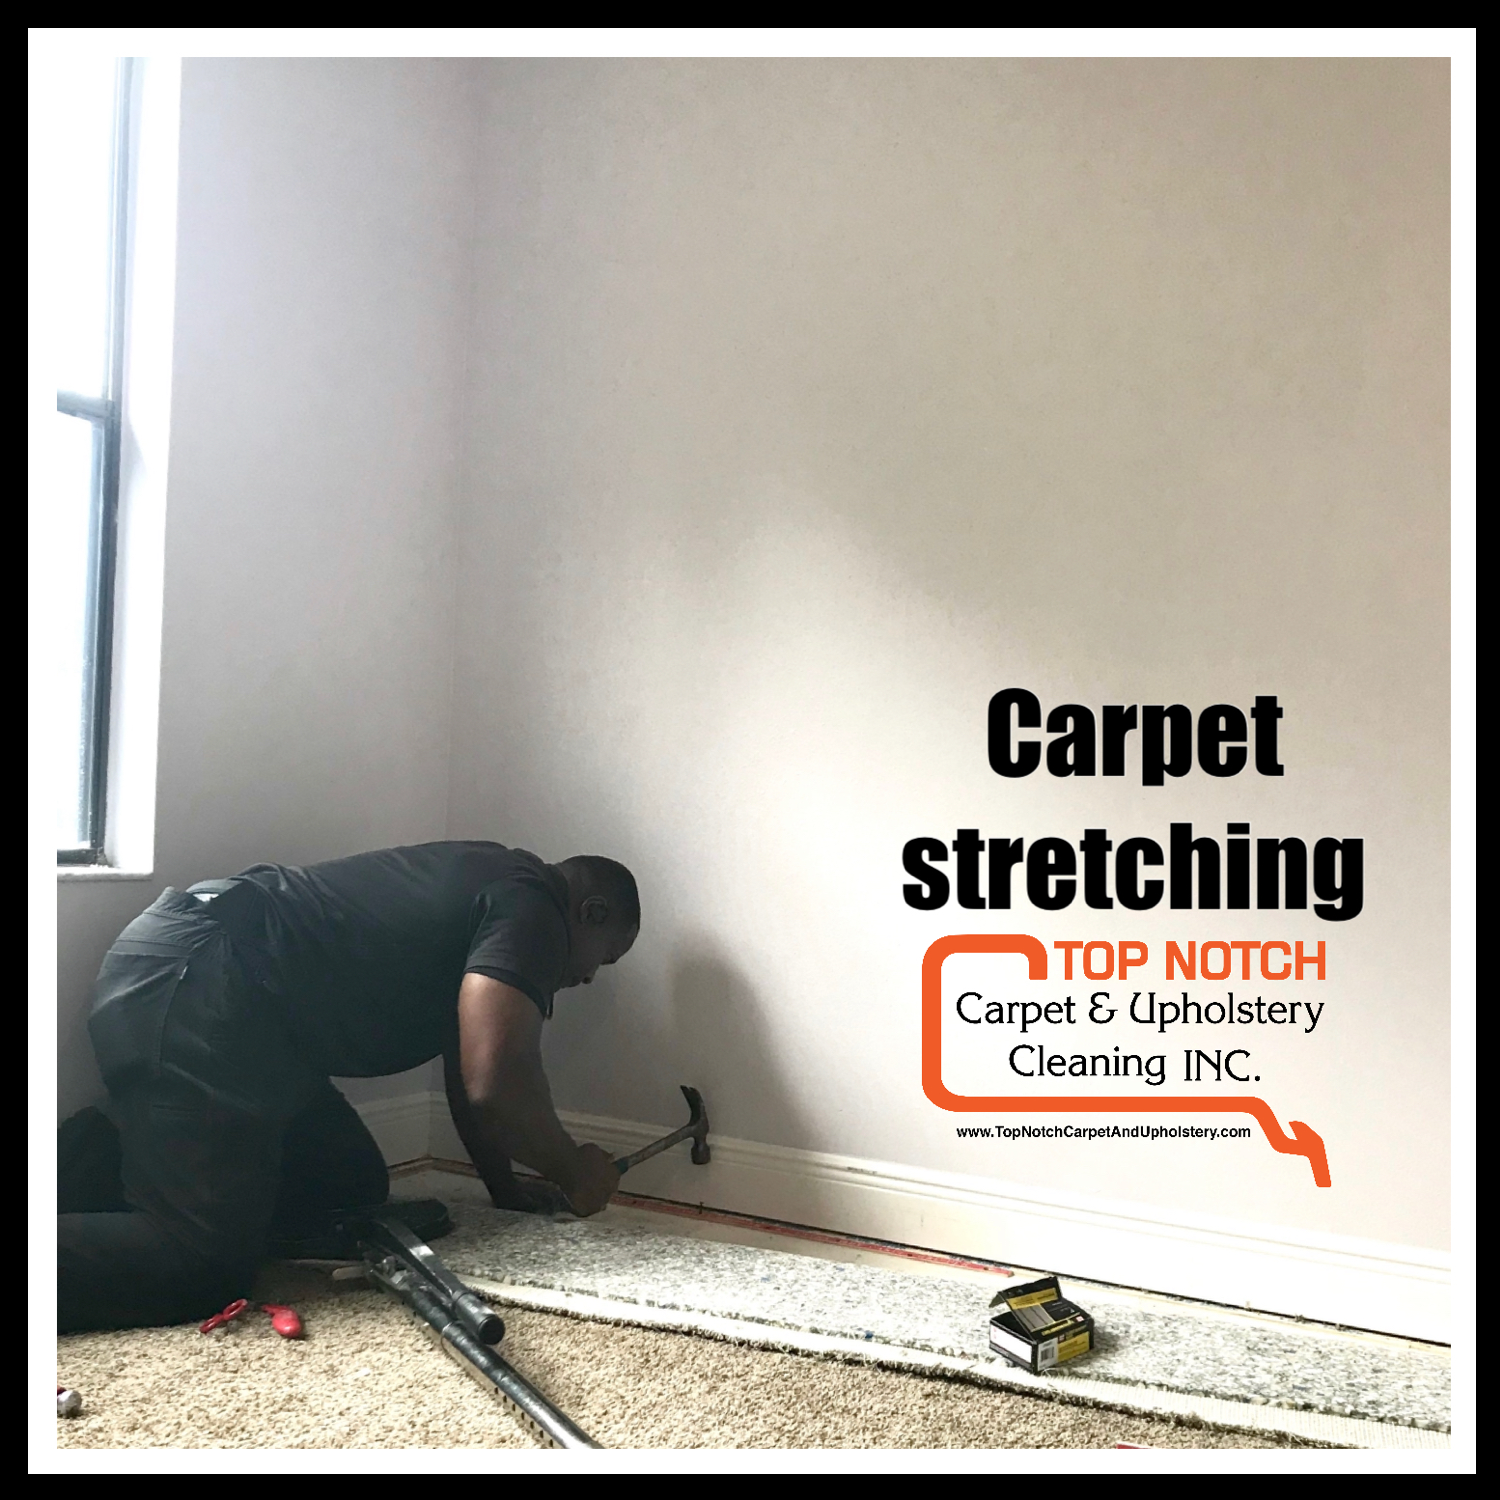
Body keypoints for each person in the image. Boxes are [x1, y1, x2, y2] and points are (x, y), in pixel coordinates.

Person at [57, 842, 639, 1333]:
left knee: (347, 1181)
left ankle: (123, 1155)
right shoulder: (534, 907)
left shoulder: (498, 887)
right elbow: (498, 1080)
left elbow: (469, 1075)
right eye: (604, 958)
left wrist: (505, 1187)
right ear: (589, 912)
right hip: (205, 986)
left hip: (225, 997)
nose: (589, 976)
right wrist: (574, 1171)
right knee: (201, 1264)